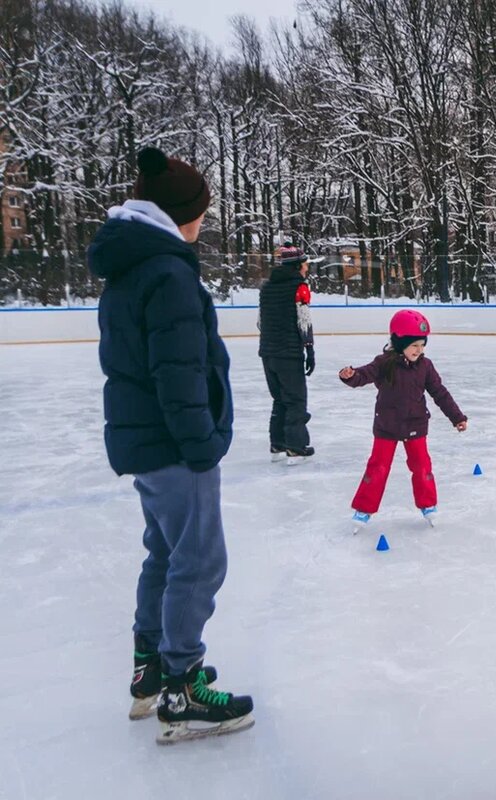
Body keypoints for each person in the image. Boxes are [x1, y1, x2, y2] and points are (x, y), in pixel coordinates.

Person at [87, 146, 253, 744]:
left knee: (164, 551)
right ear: (183, 213)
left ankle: (150, 667)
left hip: (145, 443)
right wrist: (202, 443)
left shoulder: (132, 266)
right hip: (174, 444)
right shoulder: (168, 271)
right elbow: (178, 371)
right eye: (201, 212)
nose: (204, 222)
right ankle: (182, 687)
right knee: (200, 558)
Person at [339, 310, 467, 528]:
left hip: (415, 424)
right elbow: (364, 375)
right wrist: (350, 376)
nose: (419, 350)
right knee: (377, 467)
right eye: (414, 345)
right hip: (387, 426)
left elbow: (440, 393)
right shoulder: (384, 363)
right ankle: (364, 509)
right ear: (400, 343)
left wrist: (456, 417)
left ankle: (428, 505)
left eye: (422, 345)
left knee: (422, 466)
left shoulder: (425, 366)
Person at [258, 243, 315, 465]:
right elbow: (304, 321)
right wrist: (309, 348)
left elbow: (260, 322)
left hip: (267, 353)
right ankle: (296, 447)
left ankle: (278, 443)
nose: (307, 269)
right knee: (296, 400)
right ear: (298, 266)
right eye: (305, 265)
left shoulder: (266, 287)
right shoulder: (299, 287)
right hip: (289, 353)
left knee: (279, 398)